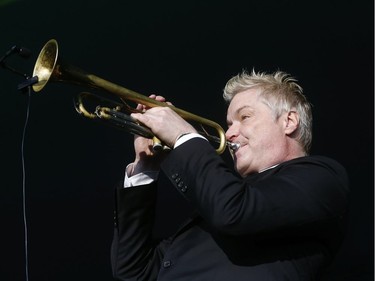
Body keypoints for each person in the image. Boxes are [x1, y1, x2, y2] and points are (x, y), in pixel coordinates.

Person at [110, 70, 349, 281]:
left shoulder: (323, 177)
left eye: (245, 117)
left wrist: (184, 136)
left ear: (289, 121)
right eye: (229, 123)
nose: (230, 132)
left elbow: (234, 211)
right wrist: (144, 168)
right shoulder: (216, 206)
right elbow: (132, 270)